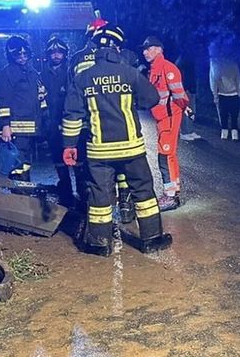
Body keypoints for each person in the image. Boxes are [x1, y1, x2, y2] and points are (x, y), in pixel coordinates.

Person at [62, 25, 173, 256]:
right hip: (131, 148)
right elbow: (151, 98)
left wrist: (69, 145)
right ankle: (152, 239)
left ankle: (100, 244)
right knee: (143, 191)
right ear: (117, 48)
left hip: (99, 151)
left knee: (99, 195)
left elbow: (72, 115)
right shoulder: (129, 72)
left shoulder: (83, 78)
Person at [142, 36, 189, 211]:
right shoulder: (154, 69)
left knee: (165, 156)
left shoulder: (168, 68)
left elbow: (179, 96)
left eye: (149, 49)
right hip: (162, 118)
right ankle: (172, 192)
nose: (145, 52)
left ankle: (170, 196)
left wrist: (183, 108)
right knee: (168, 156)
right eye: (144, 49)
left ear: (159, 49)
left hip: (169, 117)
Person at [0, 35, 47, 181]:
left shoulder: (32, 72)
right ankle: (19, 188)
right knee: (17, 163)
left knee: (26, 162)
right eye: (18, 54)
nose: (23, 57)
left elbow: (39, 97)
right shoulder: (5, 74)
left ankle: (25, 185)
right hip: (17, 126)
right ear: (11, 55)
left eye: (25, 54)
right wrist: (5, 125)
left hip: (32, 126)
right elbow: (2, 101)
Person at [40, 34, 76, 205]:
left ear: (65, 54)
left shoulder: (71, 71)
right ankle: (66, 190)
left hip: (70, 120)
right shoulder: (42, 73)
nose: (56, 55)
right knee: (57, 157)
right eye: (53, 53)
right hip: (52, 122)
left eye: (59, 52)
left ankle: (83, 191)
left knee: (77, 158)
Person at [210, 53, 240, 140]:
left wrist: (215, 95)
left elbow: (215, 82)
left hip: (223, 94)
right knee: (234, 115)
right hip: (233, 94)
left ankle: (225, 132)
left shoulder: (219, 67)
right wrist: (239, 93)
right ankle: (234, 133)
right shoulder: (234, 66)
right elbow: (238, 81)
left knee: (224, 115)